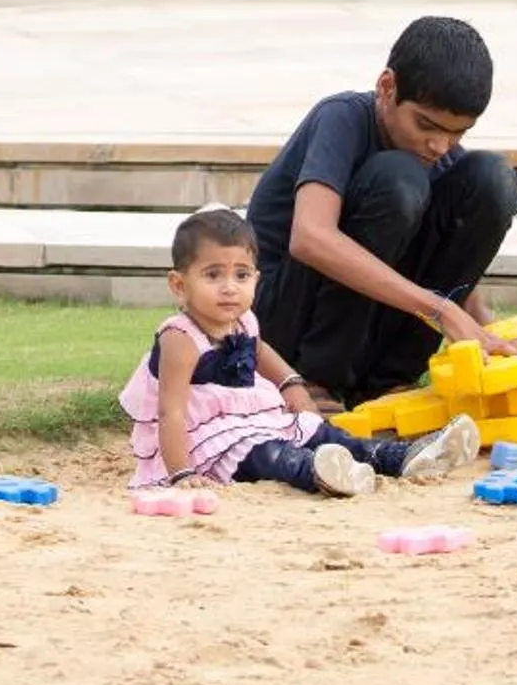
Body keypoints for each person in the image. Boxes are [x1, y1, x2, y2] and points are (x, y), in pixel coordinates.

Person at [247, 16, 517, 409]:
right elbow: (310, 237)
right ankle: (316, 380)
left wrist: (493, 333)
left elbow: (451, 253)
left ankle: (390, 382)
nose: (439, 145)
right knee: (399, 178)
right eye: (426, 124)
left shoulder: (437, 151)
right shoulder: (341, 117)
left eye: (457, 133)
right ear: (387, 86)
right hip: (284, 326)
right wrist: (438, 309)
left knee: (490, 179)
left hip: (365, 331)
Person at [119, 206, 479, 497]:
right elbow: (171, 412)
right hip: (206, 438)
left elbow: (260, 351)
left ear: (256, 279)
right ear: (179, 285)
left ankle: (400, 457)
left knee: (317, 429)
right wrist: (182, 474)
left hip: (249, 419)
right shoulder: (179, 337)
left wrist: (292, 383)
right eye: (213, 276)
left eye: (241, 276)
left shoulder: (243, 321)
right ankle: (320, 472)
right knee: (268, 456)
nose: (230, 288)